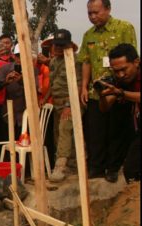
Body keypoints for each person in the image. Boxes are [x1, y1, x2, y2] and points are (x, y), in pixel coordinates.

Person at [78, 0, 137, 182]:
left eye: (96, 12)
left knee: (116, 130)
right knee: (96, 131)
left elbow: (132, 57)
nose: (93, 16)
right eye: (89, 13)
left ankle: (113, 168)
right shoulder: (88, 35)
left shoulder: (124, 27)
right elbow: (86, 61)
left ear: (108, 9)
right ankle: (96, 168)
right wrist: (84, 86)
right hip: (97, 92)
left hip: (120, 89)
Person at [98, 43, 140, 183]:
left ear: (136, 62)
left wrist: (121, 93)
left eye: (124, 69)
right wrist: (102, 95)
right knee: (131, 170)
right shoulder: (119, 80)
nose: (121, 75)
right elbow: (105, 108)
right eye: (116, 71)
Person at [46, 29, 82, 182]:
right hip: (57, 104)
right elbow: (53, 83)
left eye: (62, 45)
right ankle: (71, 166)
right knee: (59, 135)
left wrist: (69, 105)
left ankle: (60, 167)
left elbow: (79, 85)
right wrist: (45, 98)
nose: (58, 48)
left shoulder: (75, 61)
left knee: (65, 130)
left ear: (68, 45)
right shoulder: (54, 61)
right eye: (56, 45)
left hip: (72, 102)